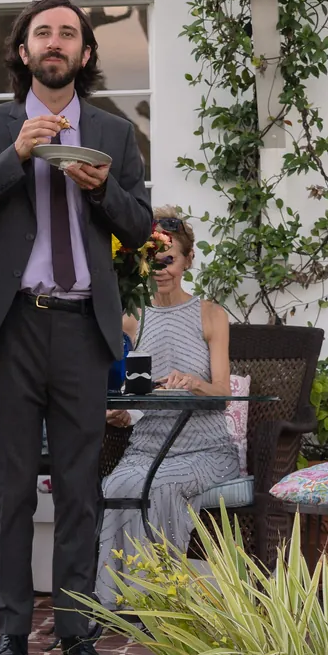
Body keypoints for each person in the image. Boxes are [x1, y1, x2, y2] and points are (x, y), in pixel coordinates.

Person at [0, 0, 151, 655]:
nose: (55, 43)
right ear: (23, 50)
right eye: (43, 33)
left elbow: (140, 227)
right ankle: (9, 632)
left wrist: (100, 189)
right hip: (11, 327)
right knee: (11, 490)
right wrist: (15, 155)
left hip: (83, 329)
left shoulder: (115, 135)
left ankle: (77, 630)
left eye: (69, 33)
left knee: (79, 488)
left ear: (86, 54)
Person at [95, 209, 237, 606]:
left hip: (204, 450)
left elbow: (224, 392)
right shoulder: (132, 317)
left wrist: (195, 383)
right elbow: (131, 388)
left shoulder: (210, 315)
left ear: (188, 260)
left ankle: (155, 599)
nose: (161, 270)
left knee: (162, 487)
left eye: (169, 260)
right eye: (153, 261)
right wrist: (122, 412)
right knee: (116, 486)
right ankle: (115, 601)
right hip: (145, 447)